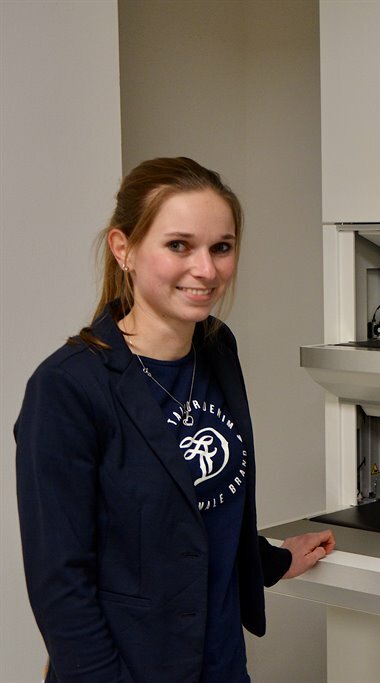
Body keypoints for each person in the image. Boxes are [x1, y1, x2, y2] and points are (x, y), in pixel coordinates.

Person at [15, 156, 335, 682]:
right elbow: (60, 583)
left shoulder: (216, 348)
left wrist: (269, 560)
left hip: (221, 663)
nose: (205, 270)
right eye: (179, 245)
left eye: (221, 247)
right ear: (125, 249)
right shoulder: (68, 387)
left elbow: (196, 508)